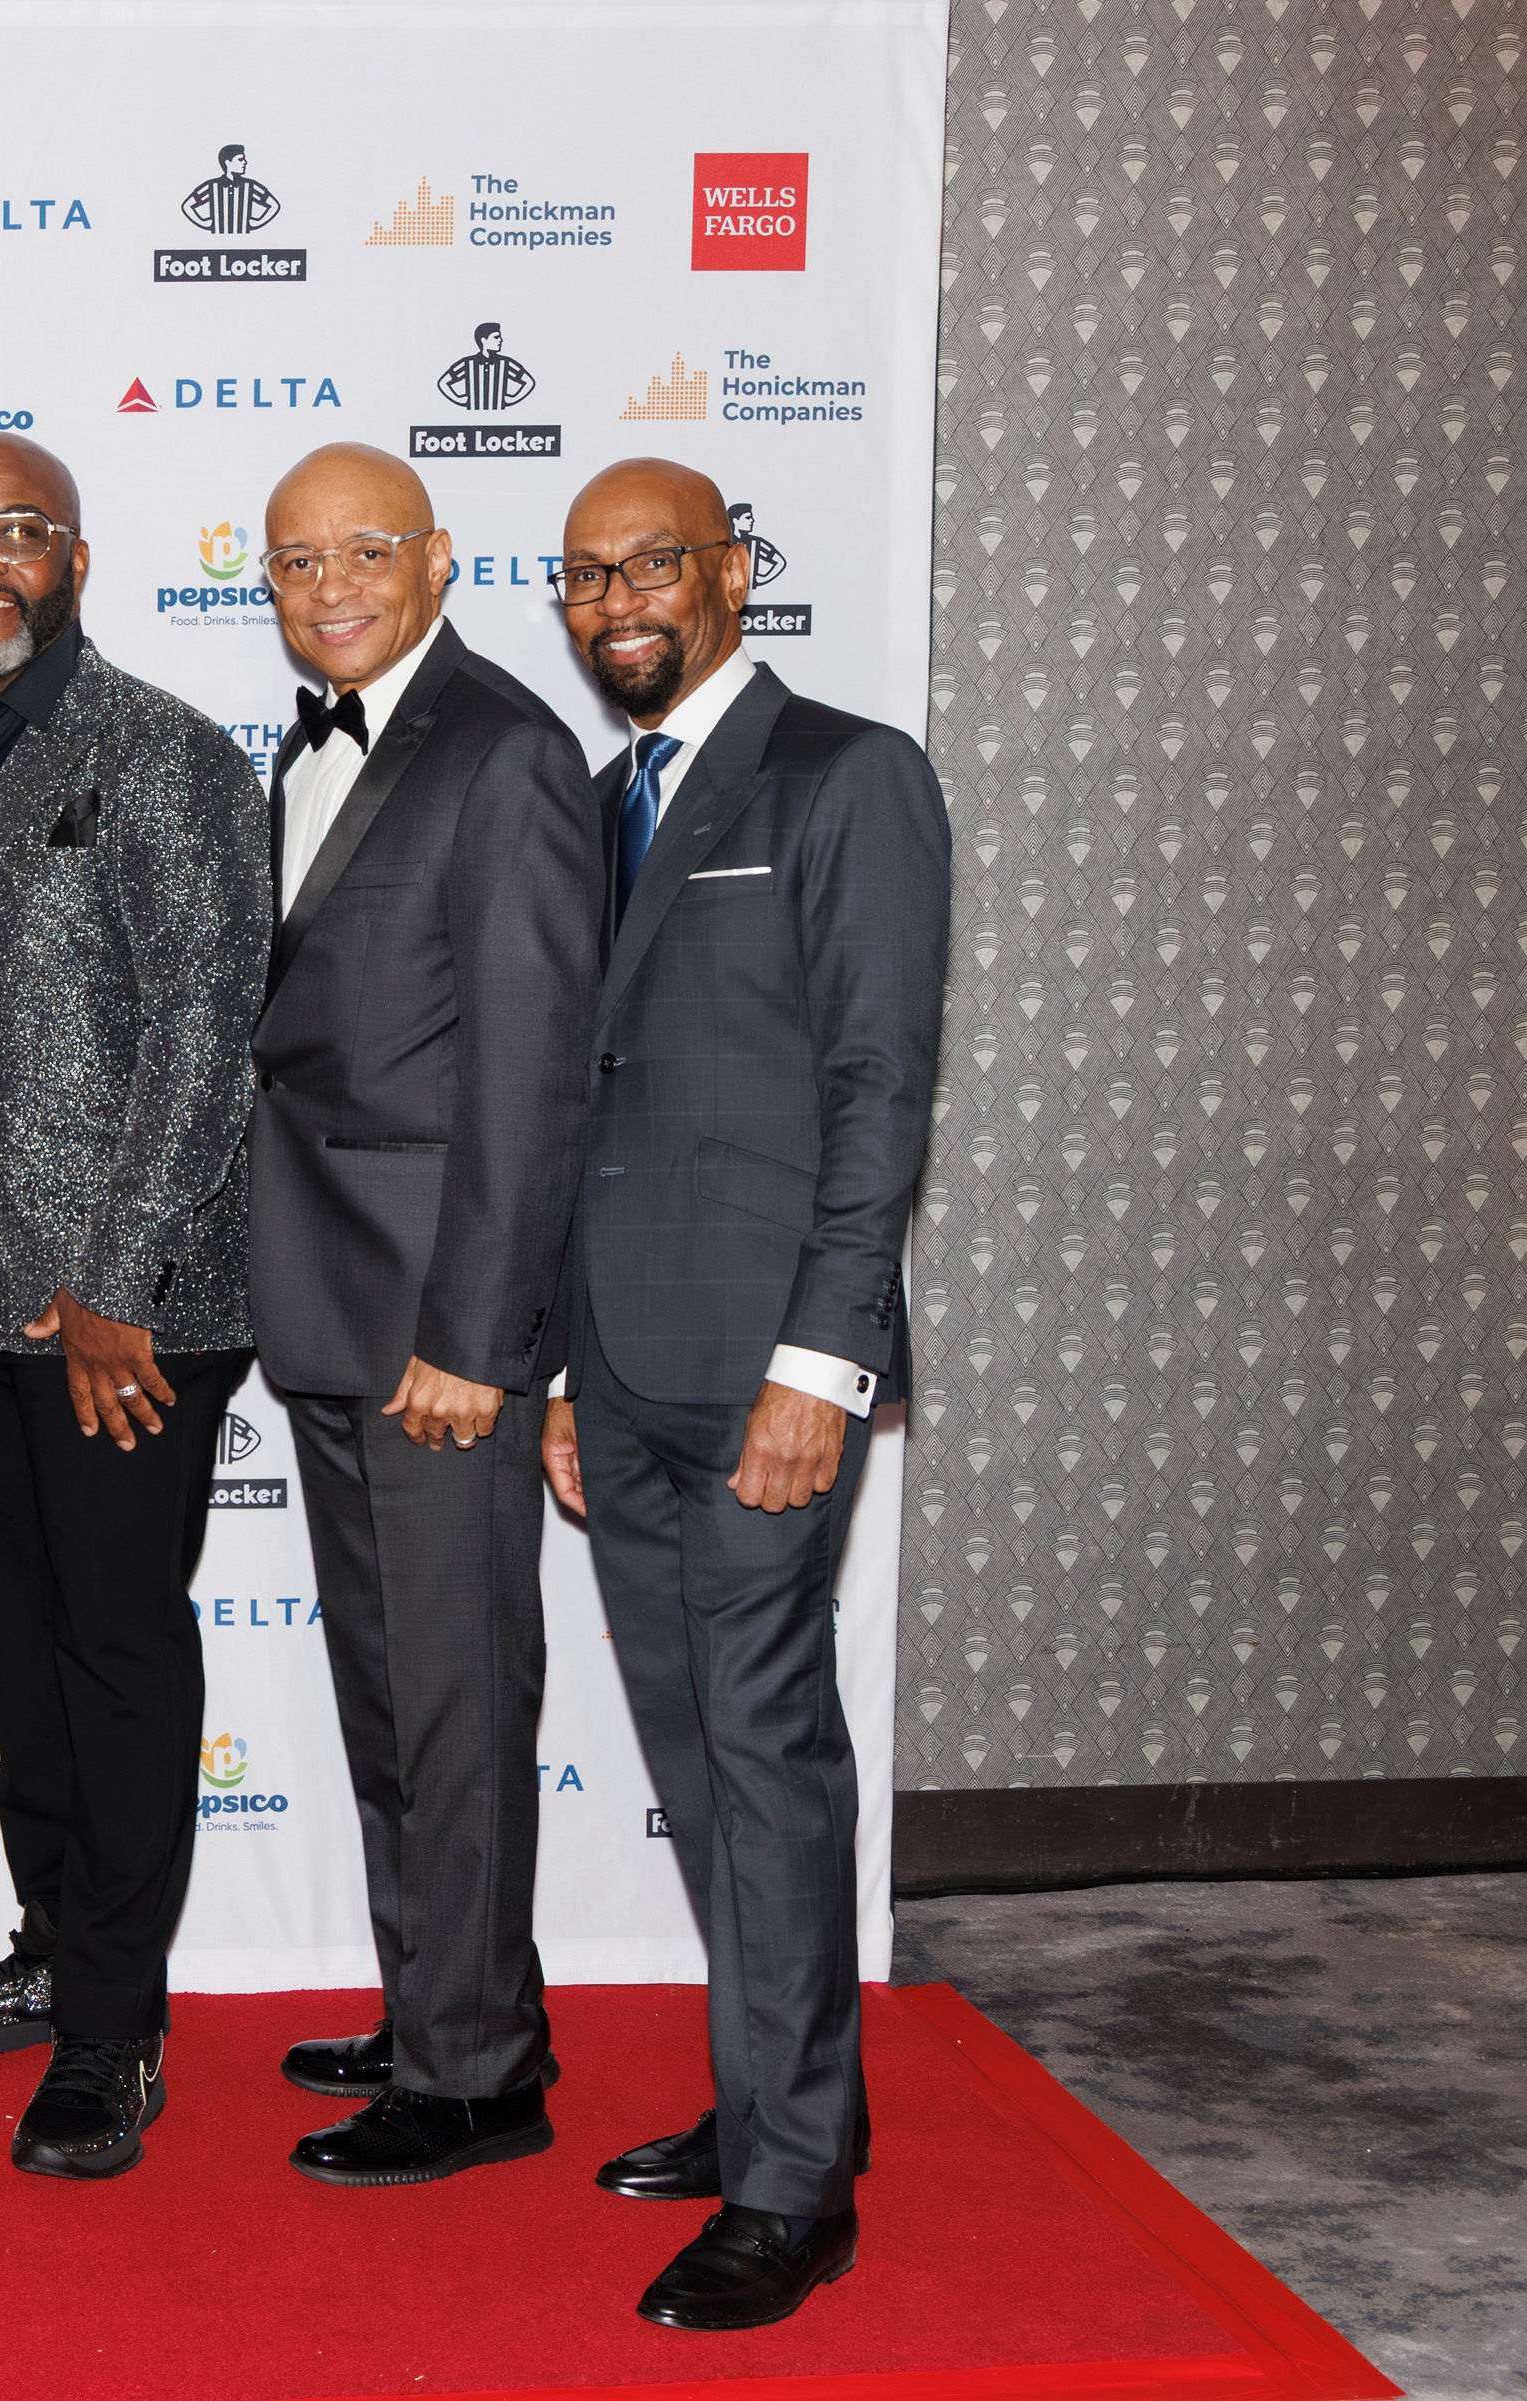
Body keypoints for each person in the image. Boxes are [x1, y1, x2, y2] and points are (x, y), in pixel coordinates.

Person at [543, 458, 948, 2331]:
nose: (617, 600)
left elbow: (879, 1091)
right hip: (616, 1365)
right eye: (585, 576)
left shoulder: (845, 774)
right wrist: (558, 1360)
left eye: (652, 565)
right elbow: (594, 1099)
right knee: (701, 1754)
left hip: (769, 1362)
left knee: (767, 1745)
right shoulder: (605, 793)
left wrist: (827, 1355)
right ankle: (786, 2095)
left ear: (732, 574)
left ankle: (797, 2192)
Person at [0, 433, 270, 2179]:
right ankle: (58, 1939)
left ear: (77, 558)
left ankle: (116, 2031)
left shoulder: (164, 754)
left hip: (129, 1304)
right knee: (22, 1651)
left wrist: (111, 1288)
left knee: (113, 1654)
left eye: (16, 533)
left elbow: (206, 1033)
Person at [249, 444, 606, 2188]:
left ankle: (476, 2074)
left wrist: (482, 1340)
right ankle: (444, 2004)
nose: (327, 583)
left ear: (442, 559)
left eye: (363, 551)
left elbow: (533, 1084)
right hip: (329, 1307)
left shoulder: (508, 751)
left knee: (457, 1702)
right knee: (395, 1698)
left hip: (435, 1335)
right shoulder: (310, 743)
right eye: (295, 560)